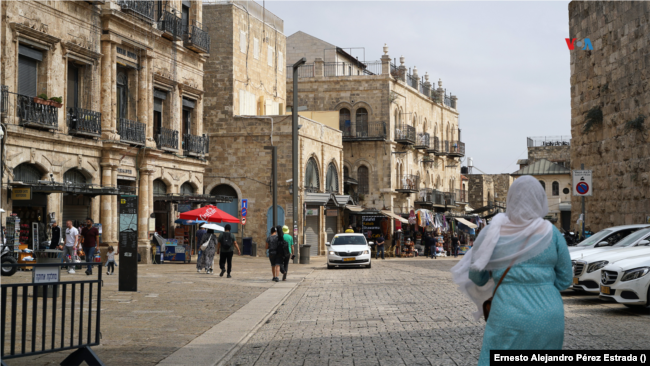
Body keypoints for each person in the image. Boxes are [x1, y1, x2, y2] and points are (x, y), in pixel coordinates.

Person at [450, 176, 572, 365]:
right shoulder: (552, 233)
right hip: (549, 315)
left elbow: (477, 275)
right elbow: (565, 279)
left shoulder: (493, 231)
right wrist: (541, 284)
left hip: (508, 313)